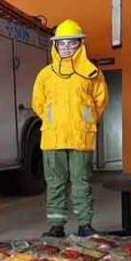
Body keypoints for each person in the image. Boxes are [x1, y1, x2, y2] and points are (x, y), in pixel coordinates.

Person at [32, 19, 108, 238]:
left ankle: (85, 224)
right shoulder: (45, 75)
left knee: (81, 182)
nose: (66, 47)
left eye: (71, 43)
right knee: (55, 183)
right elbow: (38, 102)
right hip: (53, 137)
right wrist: (54, 119)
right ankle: (57, 226)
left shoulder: (91, 73)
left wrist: (84, 120)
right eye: (62, 43)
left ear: (80, 45)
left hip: (80, 137)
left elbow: (100, 102)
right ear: (55, 46)